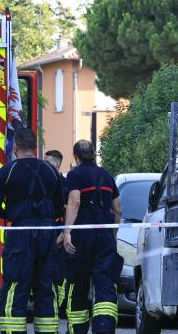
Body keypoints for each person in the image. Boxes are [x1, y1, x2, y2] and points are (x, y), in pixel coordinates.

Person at [0, 128, 65, 334]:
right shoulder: (51, 171)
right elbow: (60, 205)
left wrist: (13, 215)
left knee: (16, 284)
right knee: (46, 285)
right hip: (47, 232)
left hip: (21, 233)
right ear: (35, 148)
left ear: (15, 148)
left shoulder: (8, 171)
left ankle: (14, 330)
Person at [62, 140, 123, 334]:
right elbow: (118, 210)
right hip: (104, 235)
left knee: (78, 282)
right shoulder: (106, 175)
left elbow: (75, 202)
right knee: (105, 283)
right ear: (93, 154)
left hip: (82, 235)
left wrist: (67, 232)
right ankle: (104, 328)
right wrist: (112, 236)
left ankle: (78, 330)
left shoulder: (74, 174)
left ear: (76, 157)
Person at [44, 150, 68, 310]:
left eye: (47, 162)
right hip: (45, 232)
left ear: (57, 164)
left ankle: (61, 306)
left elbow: (68, 209)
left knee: (59, 273)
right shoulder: (43, 181)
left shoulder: (65, 184)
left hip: (58, 233)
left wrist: (63, 234)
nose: (44, 166)